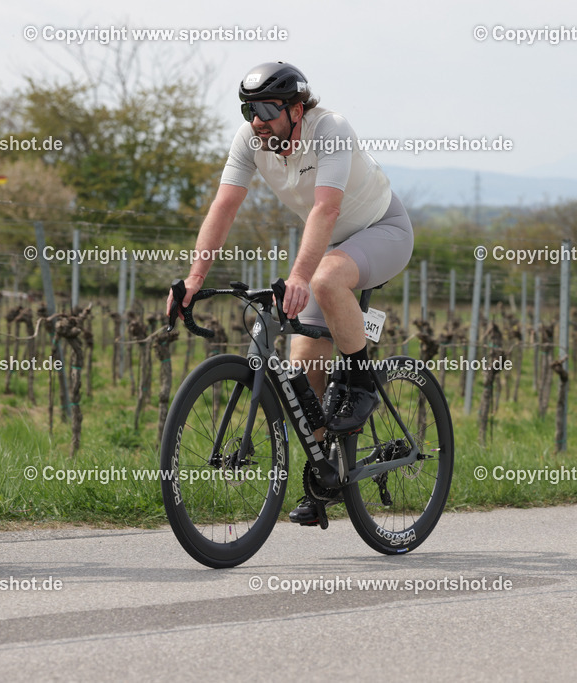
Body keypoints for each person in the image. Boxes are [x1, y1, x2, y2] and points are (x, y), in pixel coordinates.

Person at [167, 61, 413, 524]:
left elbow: (327, 207)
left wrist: (299, 276)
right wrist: (194, 279)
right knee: (303, 375)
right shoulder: (250, 142)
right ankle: (326, 476)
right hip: (331, 247)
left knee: (322, 279)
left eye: (266, 108)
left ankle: (361, 384)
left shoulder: (331, 129)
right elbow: (224, 206)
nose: (256, 120)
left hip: (383, 230)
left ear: (297, 110)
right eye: (248, 109)